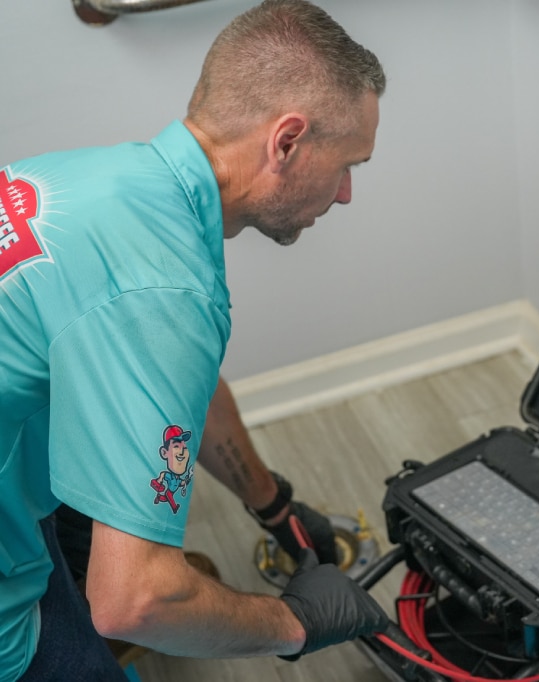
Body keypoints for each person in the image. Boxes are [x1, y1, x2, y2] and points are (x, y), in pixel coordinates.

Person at [0, 0, 389, 680]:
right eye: (348, 162)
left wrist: (272, 505)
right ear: (287, 141)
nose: (348, 192)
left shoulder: (103, 182)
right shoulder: (163, 289)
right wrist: (297, 624)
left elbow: (181, 387)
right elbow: (134, 604)